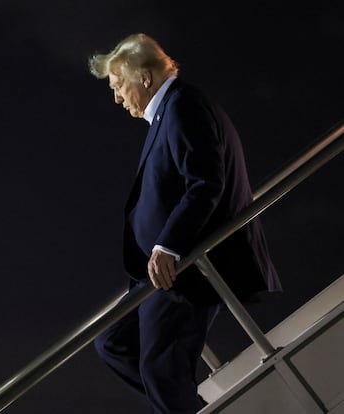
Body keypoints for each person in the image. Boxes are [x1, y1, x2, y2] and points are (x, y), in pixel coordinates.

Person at [88, 33, 282, 413]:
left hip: (186, 266)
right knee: (113, 341)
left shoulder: (183, 107)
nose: (116, 98)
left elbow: (206, 182)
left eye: (118, 86)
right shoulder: (170, 111)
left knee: (162, 368)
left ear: (144, 78)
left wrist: (168, 245)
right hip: (164, 269)